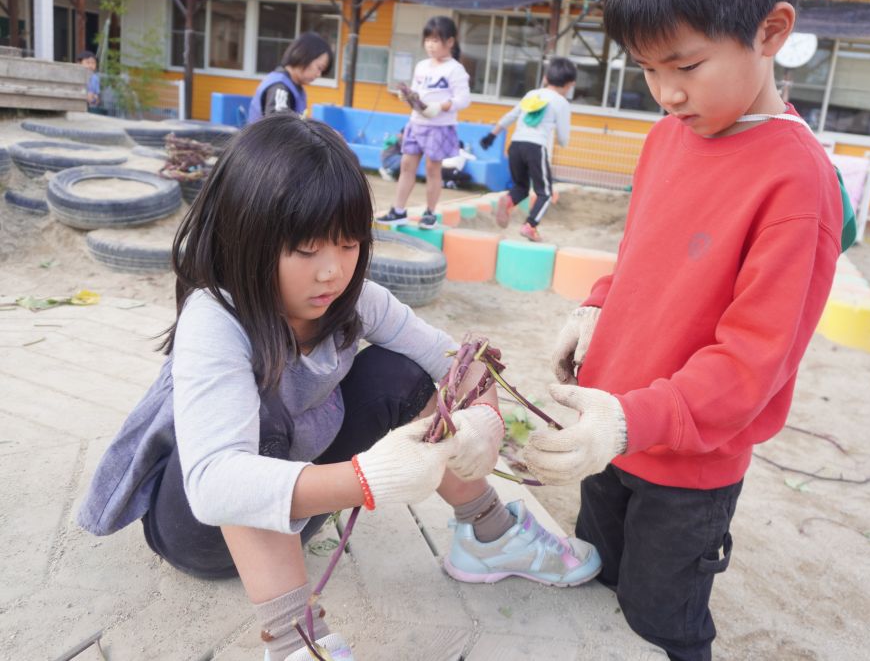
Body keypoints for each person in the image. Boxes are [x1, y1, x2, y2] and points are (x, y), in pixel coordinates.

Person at [75, 114, 600, 661]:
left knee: (404, 373)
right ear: (243, 235)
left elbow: (454, 361)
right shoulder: (217, 317)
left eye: (349, 245)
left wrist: (486, 421)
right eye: (307, 250)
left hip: (293, 518)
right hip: (198, 529)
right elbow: (214, 484)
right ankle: (294, 640)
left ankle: (490, 535)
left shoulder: (355, 300)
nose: (333, 272)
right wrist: (368, 478)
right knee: (262, 407)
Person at [521, 0, 844, 659]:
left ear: (770, 31)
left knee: (660, 622)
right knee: (595, 579)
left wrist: (631, 422)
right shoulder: (670, 135)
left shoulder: (796, 182)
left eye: (685, 65)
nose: (665, 92)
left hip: (686, 465)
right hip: (610, 426)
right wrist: (596, 307)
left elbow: (750, 364)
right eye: (646, 69)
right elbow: (642, 254)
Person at [376, 16, 471, 229]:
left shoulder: (455, 70)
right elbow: (418, 91)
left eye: (436, 40)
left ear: (450, 42)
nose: (430, 44)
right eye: (428, 39)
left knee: (432, 169)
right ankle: (398, 210)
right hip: (416, 123)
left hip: (439, 126)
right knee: (406, 165)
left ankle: (430, 213)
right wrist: (409, 96)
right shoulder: (421, 66)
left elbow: (463, 99)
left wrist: (442, 106)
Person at [481, 57, 576, 243]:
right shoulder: (561, 102)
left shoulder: (531, 94)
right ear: (570, 84)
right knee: (545, 193)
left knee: (521, 188)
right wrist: (563, 143)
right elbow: (564, 137)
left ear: (546, 77)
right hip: (535, 147)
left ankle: (507, 201)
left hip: (515, 145)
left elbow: (511, 116)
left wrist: (491, 136)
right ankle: (530, 225)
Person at [247, 31, 333, 123]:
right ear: (304, 56)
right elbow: (279, 127)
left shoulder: (295, 86)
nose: (318, 74)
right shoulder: (279, 87)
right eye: (319, 68)